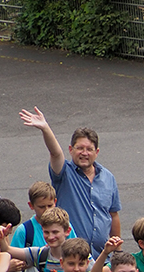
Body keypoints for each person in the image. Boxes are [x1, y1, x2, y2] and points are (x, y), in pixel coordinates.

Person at [19, 107, 121, 252]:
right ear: (70, 149)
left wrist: (117, 250)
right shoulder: (64, 173)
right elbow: (55, 153)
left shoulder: (108, 178)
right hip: (71, 258)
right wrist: (45, 128)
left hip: (102, 257)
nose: (84, 153)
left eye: (89, 149)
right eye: (79, 148)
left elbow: (113, 214)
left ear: (96, 152)